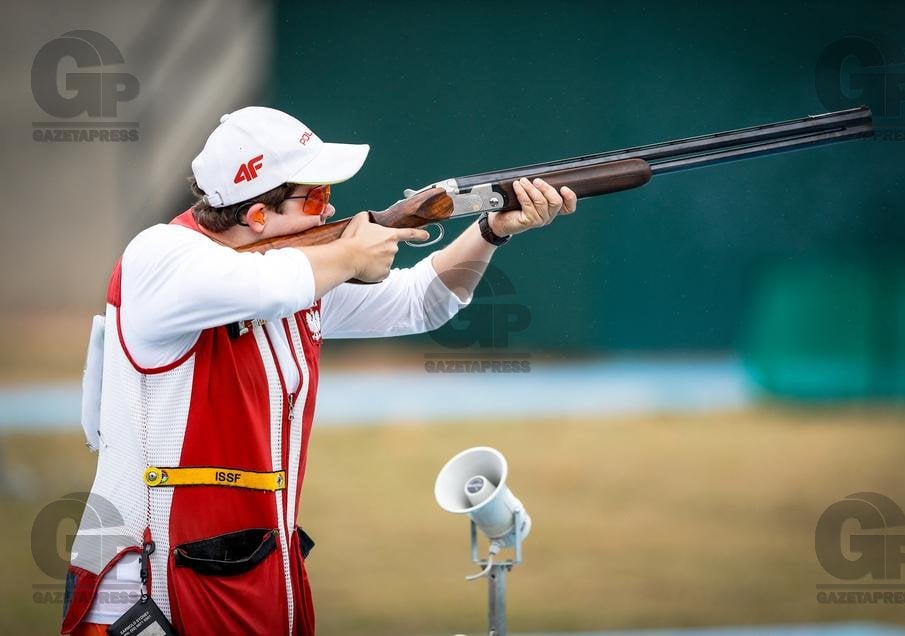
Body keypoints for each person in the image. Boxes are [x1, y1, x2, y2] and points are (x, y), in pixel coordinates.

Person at [61, 106, 577, 635]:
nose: (330, 209)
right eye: (314, 198)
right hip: (149, 589)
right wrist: (350, 257)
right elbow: (258, 285)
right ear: (257, 215)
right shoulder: (160, 254)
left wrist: (490, 231)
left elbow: (422, 302)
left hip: (247, 571)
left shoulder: (295, 277)